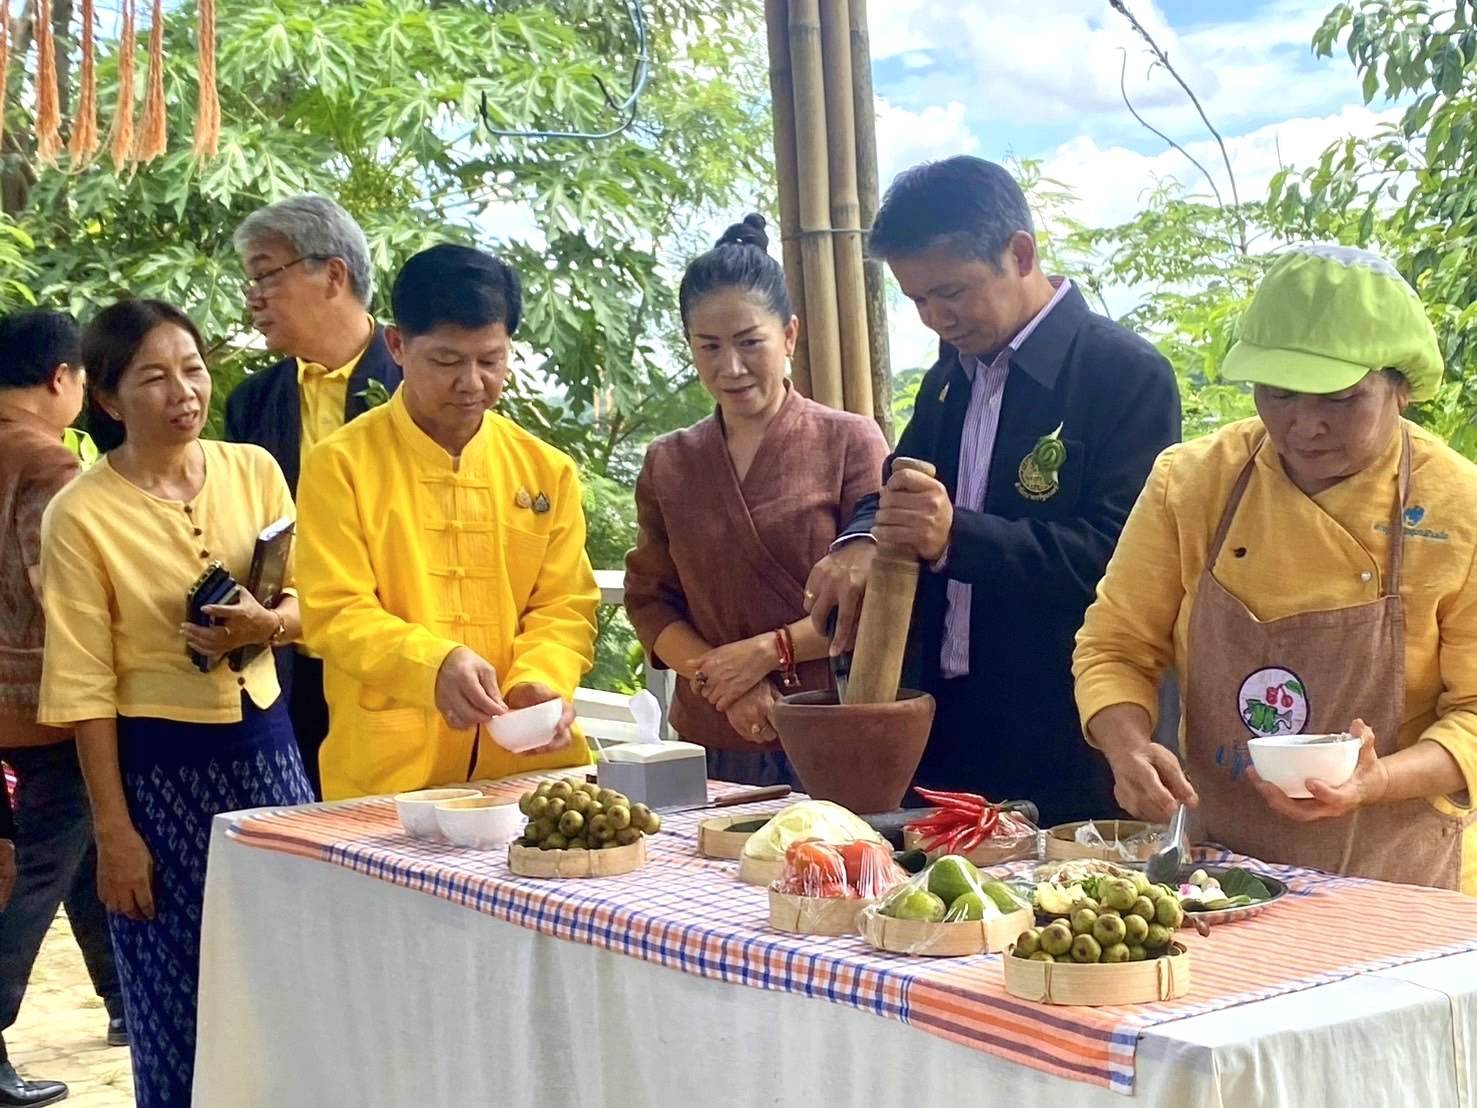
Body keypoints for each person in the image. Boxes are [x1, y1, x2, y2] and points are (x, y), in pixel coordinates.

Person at [1074, 245, 1477, 892]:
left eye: (1341, 399)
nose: (1304, 424)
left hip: (1403, 880)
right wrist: (1125, 744)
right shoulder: (1192, 483)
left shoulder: (1461, 506)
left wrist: (1375, 782)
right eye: (1277, 393)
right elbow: (1114, 646)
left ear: (1399, 388)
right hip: (1221, 872)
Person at [805, 157, 1181, 827]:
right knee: (930, 919)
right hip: (944, 724)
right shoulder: (949, 378)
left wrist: (955, 539)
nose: (935, 319)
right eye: (917, 299)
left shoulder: (1122, 374)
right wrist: (861, 538)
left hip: (1067, 729)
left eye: (951, 291)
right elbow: (898, 484)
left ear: (1020, 253)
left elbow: (1118, 560)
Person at [37, 300, 314, 1106]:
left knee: (288, 973)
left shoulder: (254, 468)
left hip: (269, 757)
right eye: (154, 377)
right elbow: (84, 687)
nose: (183, 392)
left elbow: (306, 601)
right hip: (159, 775)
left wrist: (268, 624)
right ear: (111, 399)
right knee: (177, 990)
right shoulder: (81, 514)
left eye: (192, 369)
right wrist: (114, 834)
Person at [296, 244, 599, 800]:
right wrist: (431, 664)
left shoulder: (545, 471)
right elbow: (334, 611)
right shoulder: (342, 465)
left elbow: (565, 606)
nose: (472, 382)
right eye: (447, 361)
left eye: (491, 360)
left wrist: (542, 680)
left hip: (528, 771)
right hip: (391, 775)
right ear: (397, 345)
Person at [623, 216, 889, 785]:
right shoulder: (669, 460)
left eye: (750, 343)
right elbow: (650, 601)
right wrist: (722, 682)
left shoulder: (850, 440)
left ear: (789, 335)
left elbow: (877, 596)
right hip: (708, 733)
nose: (731, 367)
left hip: (829, 727)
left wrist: (771, 651)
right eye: (709, 347)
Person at [227, 195, 404, 797]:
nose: (253, 297)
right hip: (284, 669)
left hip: (393, 658)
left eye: (266, 274)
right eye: (249, 280)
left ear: (333, 275)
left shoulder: (418, 382)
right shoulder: (252, 402)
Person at [0, 311, 122, 1108]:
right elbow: (69, 604)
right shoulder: (51, 469)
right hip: (42, 708)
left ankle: (122, 1003)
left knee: (69, 860)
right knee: (38, 872)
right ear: (61, 378)